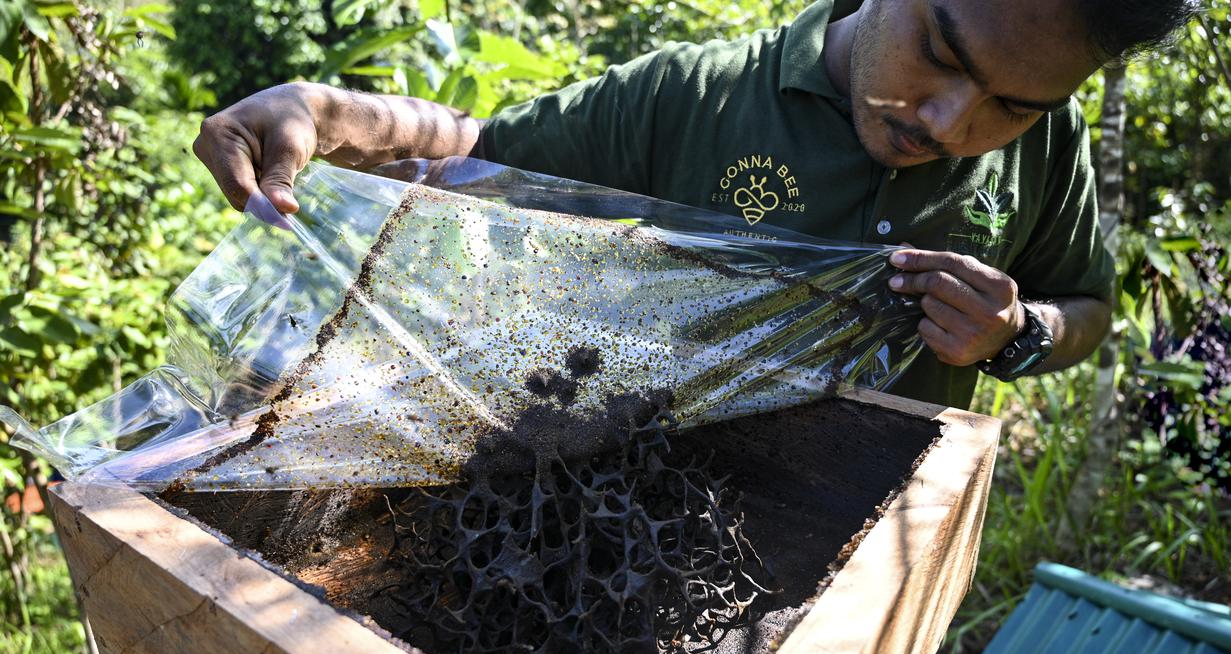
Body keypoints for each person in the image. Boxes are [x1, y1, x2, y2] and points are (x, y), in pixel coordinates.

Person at [191, 0, 1197, 410]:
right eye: (940, 51)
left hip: (867, 568)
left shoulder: (1050, 147)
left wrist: (1017, 333)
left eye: (1011, 106)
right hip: (656, 534)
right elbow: (483, 149)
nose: (947, 120)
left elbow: (1086, 309)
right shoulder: (699, 96)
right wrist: (327, 112)